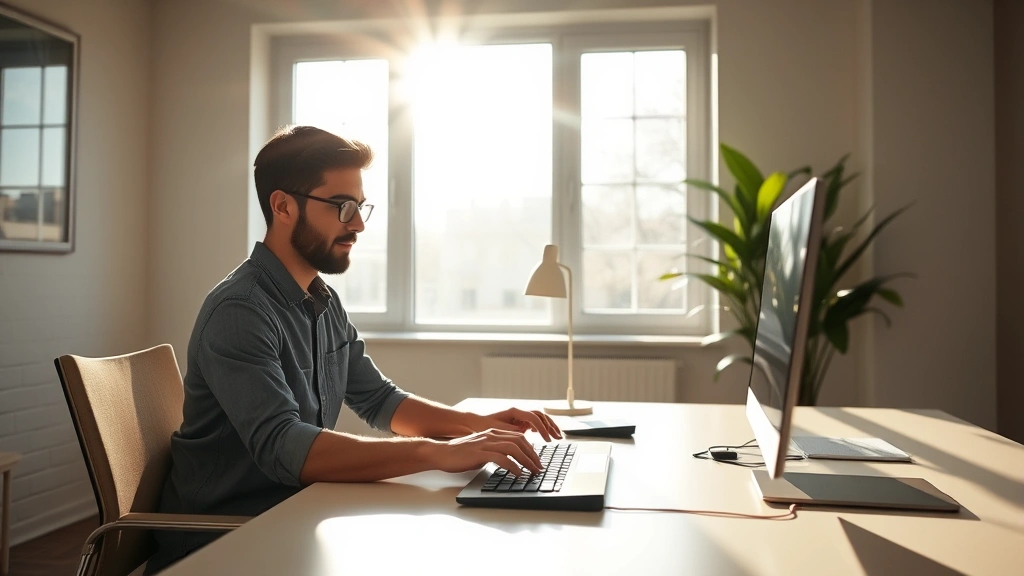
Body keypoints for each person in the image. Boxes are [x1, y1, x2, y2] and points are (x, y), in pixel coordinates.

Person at [148, 125, 561, 573]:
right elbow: (284, 445)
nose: (359, 224)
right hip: (224, 542)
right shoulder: (239, 311)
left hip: (293, 517)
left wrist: (475, 428)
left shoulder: (322, 299)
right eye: (342, 206)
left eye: (361, 207)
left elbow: (380, 400)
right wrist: (437, 452)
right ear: (283, 206)